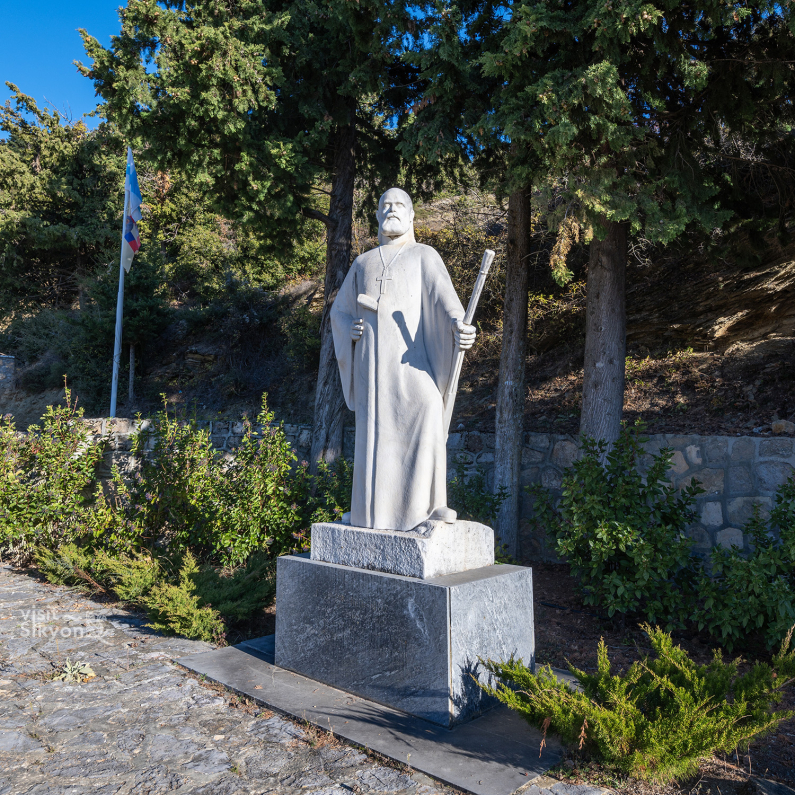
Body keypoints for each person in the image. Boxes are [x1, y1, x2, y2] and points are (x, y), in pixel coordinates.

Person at [330, 188, 476, 531]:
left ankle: (428, 506)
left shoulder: (424, 255)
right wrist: (349, 328)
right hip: (371, 366)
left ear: (411, 216)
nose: (391, 210)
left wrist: (459, 327)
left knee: (428, 408)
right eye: (385, 205)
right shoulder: (362, 263)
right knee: (375, 434)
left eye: (399, 205)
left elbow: (445, 299)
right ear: (377, 215)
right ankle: (371, 512)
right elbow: (339, 312)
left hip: (412, 361)